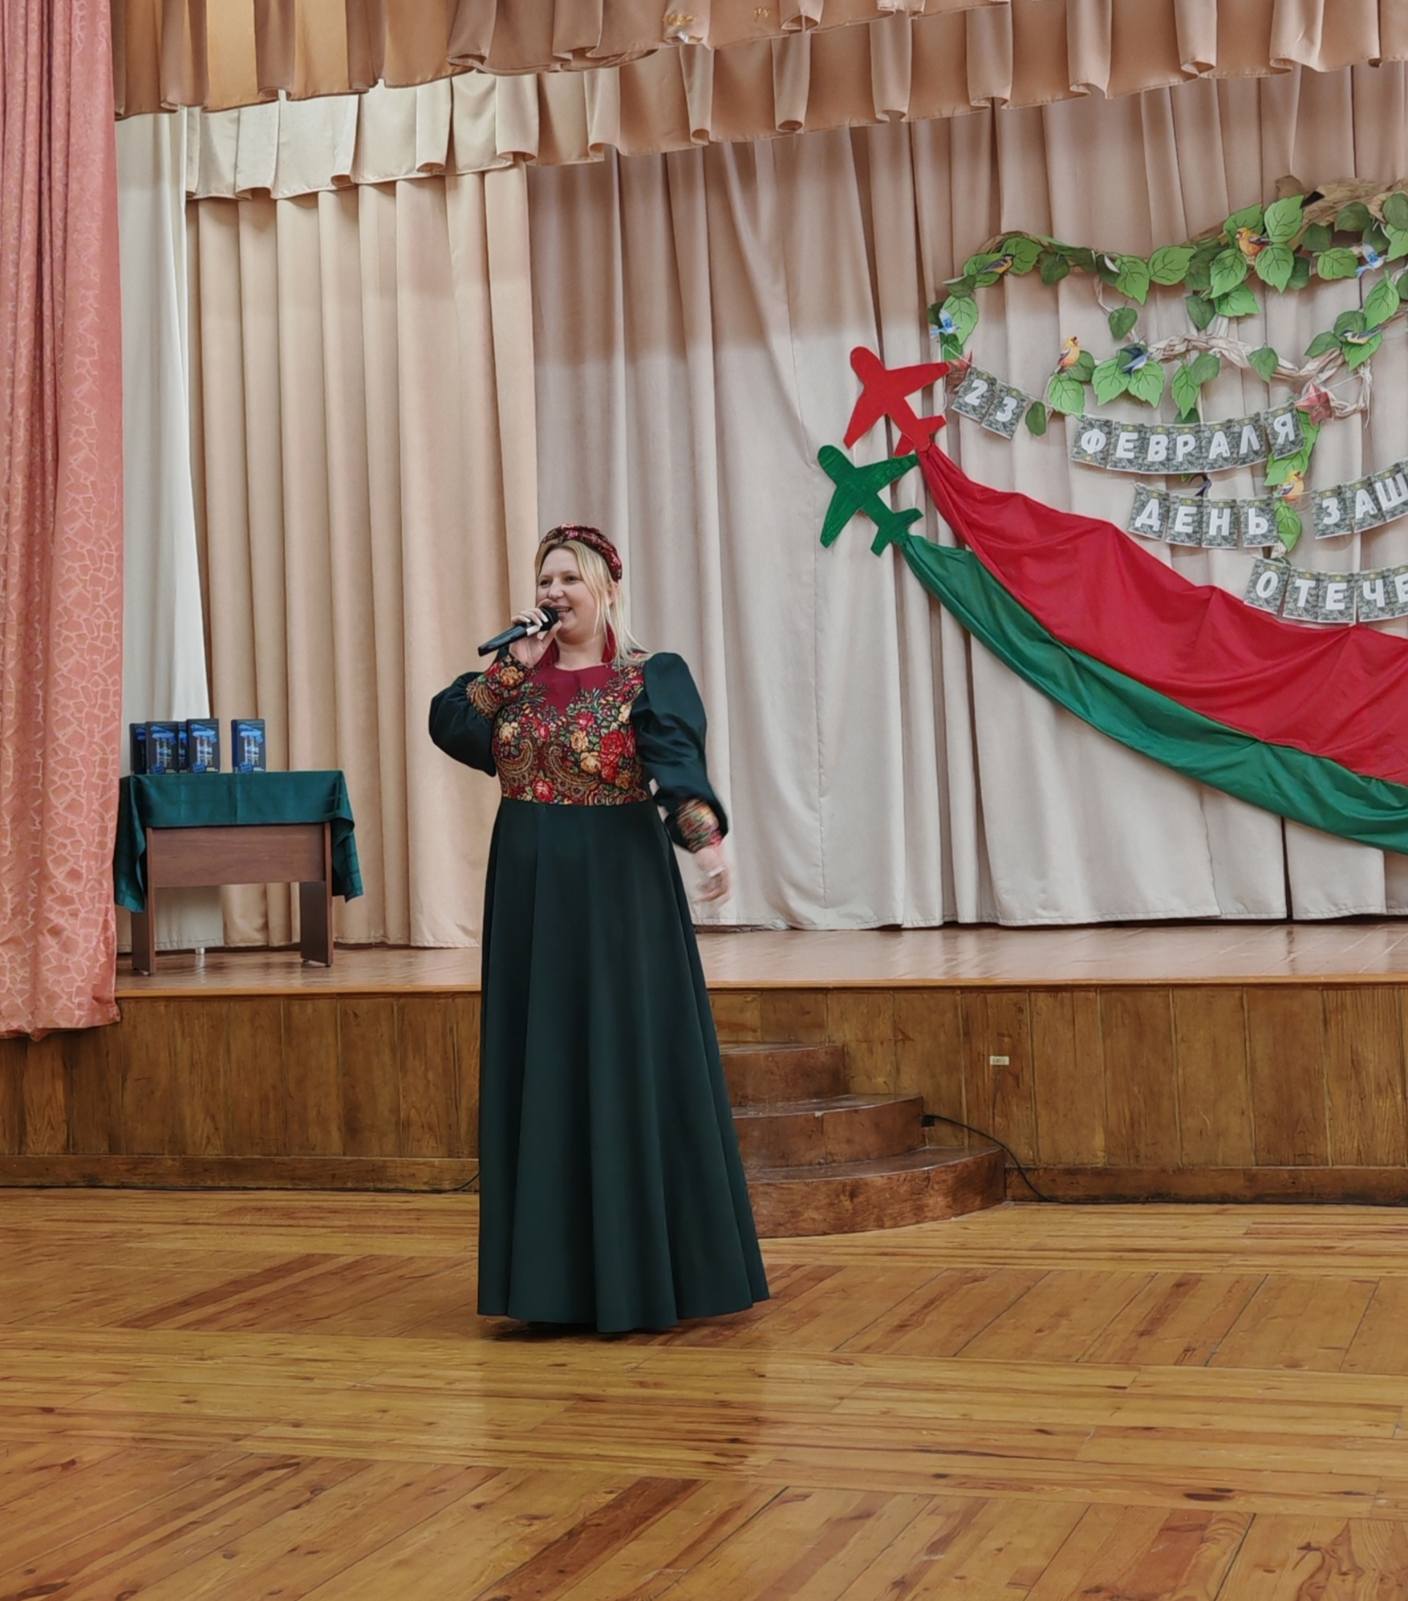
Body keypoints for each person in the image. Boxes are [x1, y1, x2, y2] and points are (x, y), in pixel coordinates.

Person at [429, 524, 770, 1333]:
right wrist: (510, 664)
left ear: (606, 590)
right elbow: (452, 726)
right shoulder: (511, 680)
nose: (553, 593)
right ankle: (549, 1286)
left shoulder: (647, 676)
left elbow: (676, 768)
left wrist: (705, 840)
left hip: (619, 888)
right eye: (544, 580)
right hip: (529, 890)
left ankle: (642, 1274)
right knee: (541, 1060)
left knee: (622, 1058)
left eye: (568, 580)